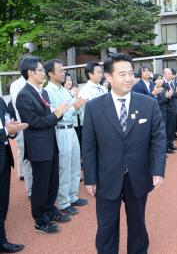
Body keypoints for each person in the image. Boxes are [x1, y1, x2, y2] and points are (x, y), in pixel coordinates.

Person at [82, 53, 166, 254]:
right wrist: (90, 178)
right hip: (106, 176)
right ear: (108, 77)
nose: (129, 78)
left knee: (137, 224)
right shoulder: (94, 107)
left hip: (138, 174)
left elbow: (158, 139)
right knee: (106, 226)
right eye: (122, 74)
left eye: (130, 73)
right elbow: (89, 146)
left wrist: (157, 169)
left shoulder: (148, 103)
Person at [16, 56, 71, 233]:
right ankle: (40, 219)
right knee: (41, 184)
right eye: (40, 70)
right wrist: (56, 115)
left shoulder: (43, 92)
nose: (43, 73)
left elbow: (49, 118)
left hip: (50, 143)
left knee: (52, 180)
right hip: (39, 147)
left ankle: (50, 209)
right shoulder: (24, 95)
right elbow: (34, 122)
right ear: (30, 72)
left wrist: (59, 113)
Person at [44, 59, 87, 216]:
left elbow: (71, 110)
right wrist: (74, 107)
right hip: (60, 130)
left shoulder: (63, 89)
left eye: (63, 70)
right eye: (60, 70)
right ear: (50, 73)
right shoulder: (48, 91)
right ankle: (63, 201)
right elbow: (57, 114)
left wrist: (76, 106)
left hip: (71, 129)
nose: (63, 73)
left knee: (75, 162)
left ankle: (72, 195)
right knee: (64, 166)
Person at [0, 97, 28, 253]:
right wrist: (5, 131)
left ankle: (1, 240)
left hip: (4, 157)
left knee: (3, 203)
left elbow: (5, 123)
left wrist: (12, 130)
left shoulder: (0, 101)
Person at [9, 74, 32, 198]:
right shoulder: (16, 85)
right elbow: (20, 108)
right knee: (27, 159)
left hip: (36, 127)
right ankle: (31, 191)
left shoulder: (38, 83)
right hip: (24, 127)